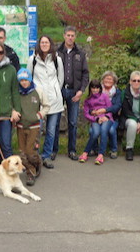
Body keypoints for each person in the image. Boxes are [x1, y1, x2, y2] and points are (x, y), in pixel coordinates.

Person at [27, 35, 64, 169]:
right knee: (37, 130)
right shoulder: (33, 60)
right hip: (39, 102)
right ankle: (35, 155)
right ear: (39, 44)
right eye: (42, 42)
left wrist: (54, 92)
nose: (44, 44)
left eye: (46, 42)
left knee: (51, 131)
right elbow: (29, 79)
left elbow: (60, 79)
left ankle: (46, 156)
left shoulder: (57, 59)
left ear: (50, 44)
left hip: (54, 100)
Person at [56, 26, 90, 160]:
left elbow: (85, 74)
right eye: (68, 35)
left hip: (74, 92)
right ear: (64, 35)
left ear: (75, 37)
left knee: (73, 122)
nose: (70, 38)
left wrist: (81, 91)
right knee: (56, 121)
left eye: (72, 35)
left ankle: (72, 150)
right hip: (59, 92)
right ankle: (54, 150)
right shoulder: (57, 52)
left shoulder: (80, 54)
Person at [15, 68, 50, 186]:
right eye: (21, 80)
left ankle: (35, 166)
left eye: (26, 80)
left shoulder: (38, 91)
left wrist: (39, 115)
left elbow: (47, 105)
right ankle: (31, 170)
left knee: (31, 152)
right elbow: (13, 106)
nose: (24, 83)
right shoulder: (17, 93)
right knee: (22, 153)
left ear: (30, 79)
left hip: (34, 126)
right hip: (20, 126)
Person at [78, 79, 113, 165]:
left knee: (104, 130)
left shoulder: (104, 96)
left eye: (97, 88)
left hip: (106, 119)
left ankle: (100, 154)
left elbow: (110, 109)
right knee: (95, 132)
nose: (95, 90)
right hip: (96, 119)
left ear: (100, 88)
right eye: (93, 88)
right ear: (90, 88)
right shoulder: (87, 100)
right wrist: (96, 119)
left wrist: (106, 116)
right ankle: (85, 153)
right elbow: (86, 114)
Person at [89, 71, 122, 159]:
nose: (108, 80)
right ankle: (94, 149)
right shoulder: (97, 91)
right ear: (102, 80)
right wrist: (94, 113)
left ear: (114, 81)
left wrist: (106, 110)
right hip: (98, 118)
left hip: (112, 118)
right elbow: (90, 105)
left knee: (111, 130)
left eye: (110, 79)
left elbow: (117, 106)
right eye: (106, 78)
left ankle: (113, 150)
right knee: (92, 131)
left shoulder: (117, 92)